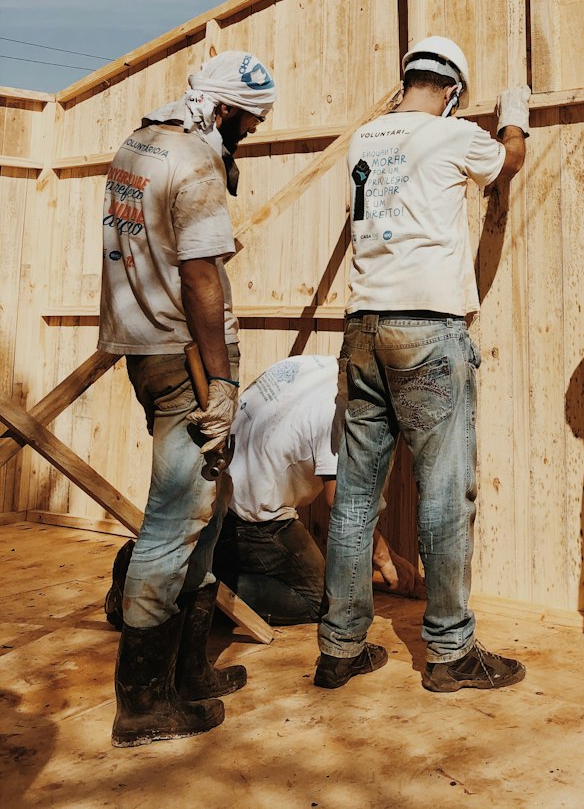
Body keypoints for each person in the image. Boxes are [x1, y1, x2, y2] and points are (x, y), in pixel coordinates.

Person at [314, 37, 530, 693]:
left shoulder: (362, 142)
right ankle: (449, 651)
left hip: (362, 329)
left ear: (405, 78)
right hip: (428, 330)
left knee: (355, 496)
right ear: (454, 91)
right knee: (442, 491)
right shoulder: (454, 136)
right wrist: (515, 111)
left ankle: (340, 646)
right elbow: (509, 160)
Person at [98, 49, 276, 747]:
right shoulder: (196, 162)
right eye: (250, 123)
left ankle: (189, 672)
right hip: (189, 360)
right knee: (175, 521)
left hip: (144, 349)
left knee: (206, 510)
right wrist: (222, 382)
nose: (252, 135)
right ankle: (141, 706)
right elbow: (201, 278)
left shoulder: (137, 144)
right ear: (225, 109)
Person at [105, 354, 421, 628]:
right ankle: (172, 590)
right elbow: (343, 503)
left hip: (215, 485)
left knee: (316, 577)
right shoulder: (347, 414)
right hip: (252, 516)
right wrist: (385, 557)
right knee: (317, 601)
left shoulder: (317, 366)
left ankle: (163, 568)